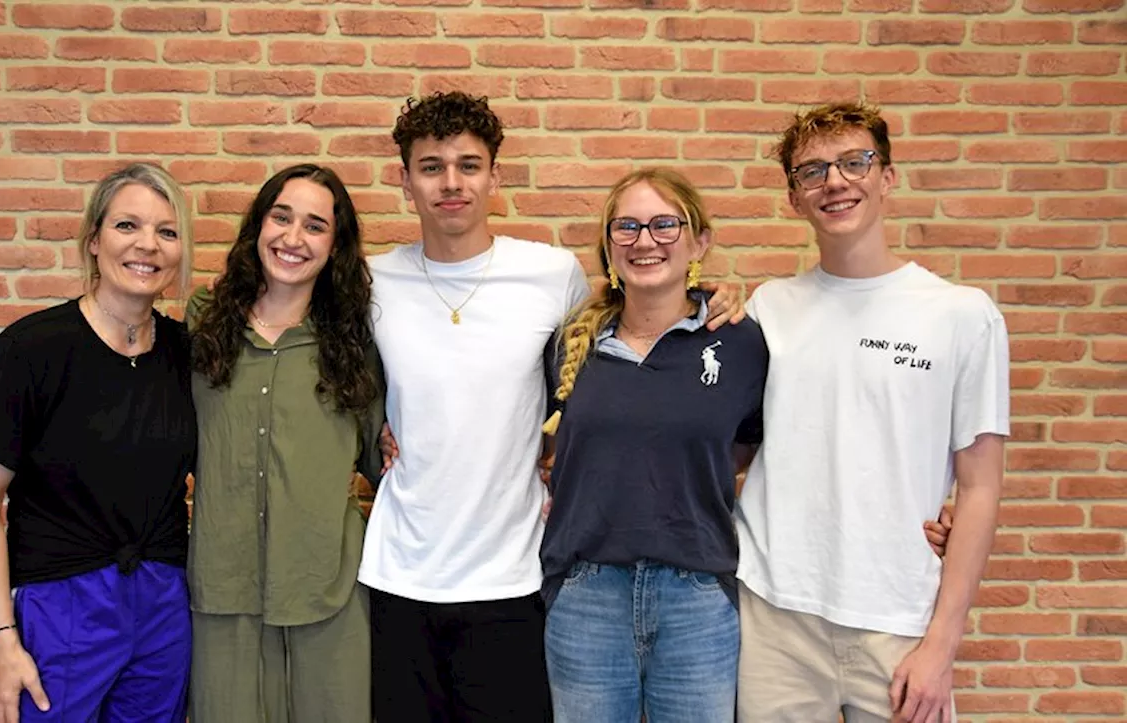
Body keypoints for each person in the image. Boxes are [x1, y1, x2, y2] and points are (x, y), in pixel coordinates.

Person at [359, 92, 744, 723]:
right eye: (430, 167)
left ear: (495, 176)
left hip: (513, 577)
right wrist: (369, 430)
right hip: (399, 574)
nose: (451, 182)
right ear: (404, 180)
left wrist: (714, 294)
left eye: (469, 164)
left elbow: (633, 320)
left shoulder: (550, 275)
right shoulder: (373, 282)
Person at [734, 102, 1009, 723]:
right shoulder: (768, 308)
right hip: (775, 617)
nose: (835, 182)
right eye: (812, 171)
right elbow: (730, 448)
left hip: (900, 621)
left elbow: (981, 488)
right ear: (793, 197)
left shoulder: (961, 315)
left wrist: (942, 645)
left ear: (886, 176)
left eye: (854, 162)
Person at [0, 163, 196, 723]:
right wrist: (5, 640)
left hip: (164, 601)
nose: (148, 245)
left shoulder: (189, 354)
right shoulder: (31, 350)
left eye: (167, 231)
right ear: (93, 240)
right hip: (62, 603)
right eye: (127, 226)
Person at [539, 168, 767, 723]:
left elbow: (743, 451)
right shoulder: (569, 342)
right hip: (586, 595)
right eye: (628, 227)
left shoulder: (740, 343)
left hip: (697, 599)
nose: (646, 241)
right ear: (609, 248)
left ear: (699, 241)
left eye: (666, 224)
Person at [186, 164, 385, 722]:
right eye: (281, 217)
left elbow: (387, 459)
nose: (293, 238)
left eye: (315, 226)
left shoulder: (353, 341)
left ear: (335, 246)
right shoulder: (203, 323)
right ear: (258, 225)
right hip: (224, 590)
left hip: (328, 587)